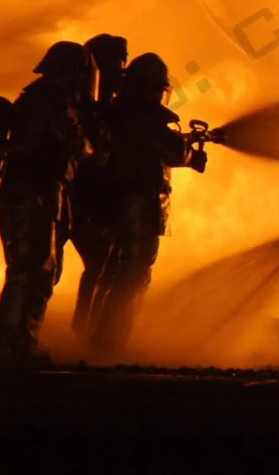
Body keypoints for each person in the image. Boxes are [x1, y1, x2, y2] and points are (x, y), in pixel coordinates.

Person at [90, 52, 206, 356]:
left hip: (120, 200)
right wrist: (193, 156)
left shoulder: (120, 112)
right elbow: (170, 149)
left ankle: (101, 336)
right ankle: (111, 341)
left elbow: (152, 144)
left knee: (117, 269)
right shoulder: (141, 114)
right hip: (138, 201)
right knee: (135, 270)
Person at [0, 41, 97, 373]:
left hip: (26, 192)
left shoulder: (35, 97)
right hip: (36, 193)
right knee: (32, 271)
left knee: (32, 270)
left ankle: (18, 344)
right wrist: (93, 141)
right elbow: (77, 145)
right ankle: (16, 348)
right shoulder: (54, 102)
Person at [70, 33, 129, 339]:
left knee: (100, 265)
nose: (120, 71)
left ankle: (84, 330)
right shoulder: (87, 109)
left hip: (91, 198)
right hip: (84, 199)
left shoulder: (99, 107)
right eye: (116, 64)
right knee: (98, 264)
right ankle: (84, 333)